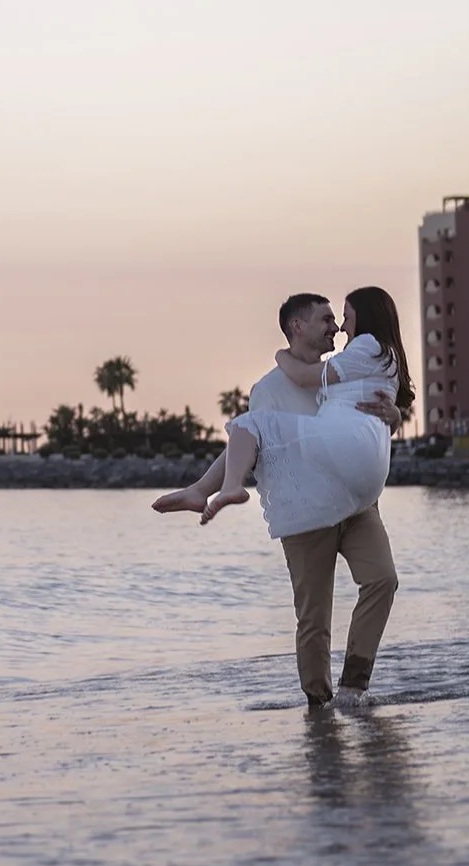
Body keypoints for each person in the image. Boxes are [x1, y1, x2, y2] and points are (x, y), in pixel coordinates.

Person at [153, 290, 409, 706]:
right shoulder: (269, 390)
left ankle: (354, 687)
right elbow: (251, 440)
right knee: (314, 618)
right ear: (298, 327)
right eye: (326, 320)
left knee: (383, 579)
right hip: (307, 512)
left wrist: (395, 416)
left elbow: (368, 425)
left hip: (358, 505)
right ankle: (319, 709)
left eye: (338, 318)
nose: (336, 327)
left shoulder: (344, 369)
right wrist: (222, 482)